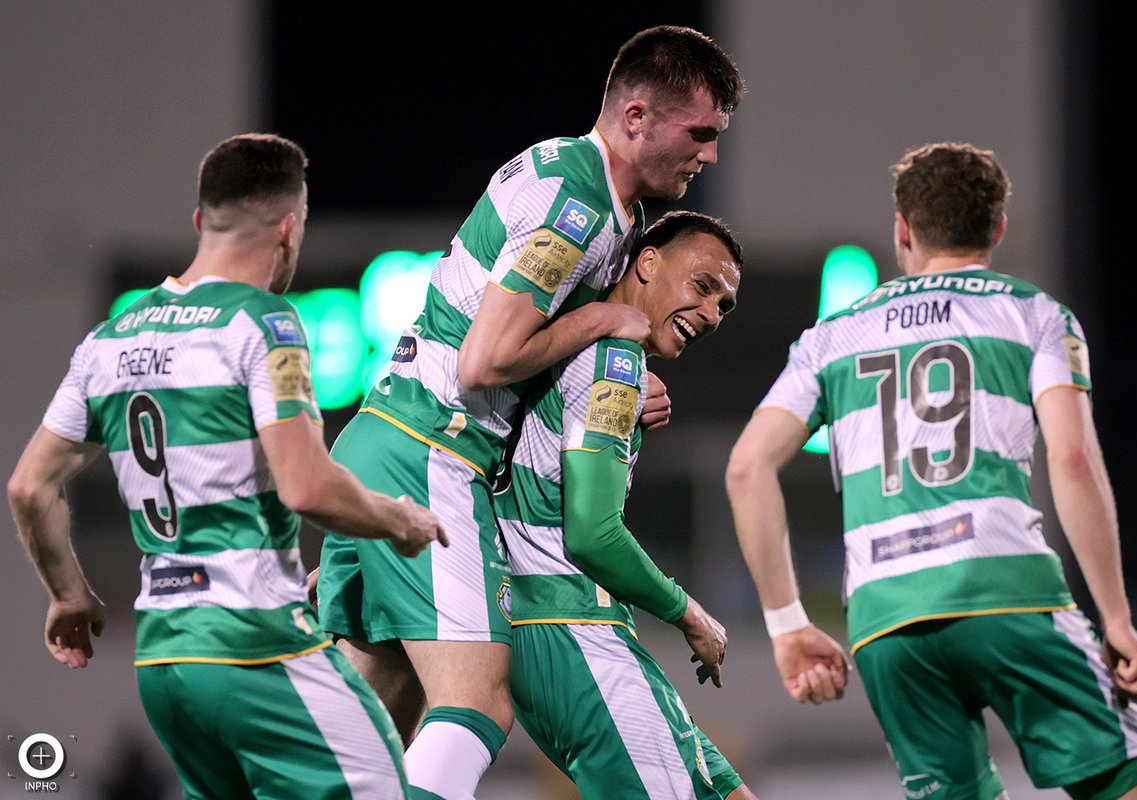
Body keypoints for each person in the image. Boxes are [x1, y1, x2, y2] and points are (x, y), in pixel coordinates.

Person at [313, 24, 744, 799]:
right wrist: (603, 325)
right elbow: (484, 361)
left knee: (373, 727)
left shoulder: (602, 206)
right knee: (476, 701)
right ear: (638, 116)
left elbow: (527, 350)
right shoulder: (575, 204)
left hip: (383, 442)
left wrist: (616, 373)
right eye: (702, 132)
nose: (710, 154)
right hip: (429, 452)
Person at [7, 133, 446, 800]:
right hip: (252, 645)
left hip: (164, 659)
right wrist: (399, 519)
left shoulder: (109, 341)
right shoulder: (263, 323)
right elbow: (307, 487)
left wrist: (71, 596)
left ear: (198, 222)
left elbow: (29, 486)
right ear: (289, 228)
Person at [725, 142, 1137, 799]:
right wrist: (1117, 617)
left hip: (885, 616)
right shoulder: (1034, 314)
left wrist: (788, 625)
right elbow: (1071, 458)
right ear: (997, 229)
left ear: (902, 229)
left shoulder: (833, 337)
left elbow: (746, 468)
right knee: (1127, 784)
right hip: (1007, 589)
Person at [496, 211, 755, 800]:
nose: (713, 312)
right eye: (703, 286)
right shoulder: (615, 358)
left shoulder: (559, 346)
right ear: (646, 261)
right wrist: (690, 613)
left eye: (725, 304)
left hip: (556, 628)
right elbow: (592, 534)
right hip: (574, 630)